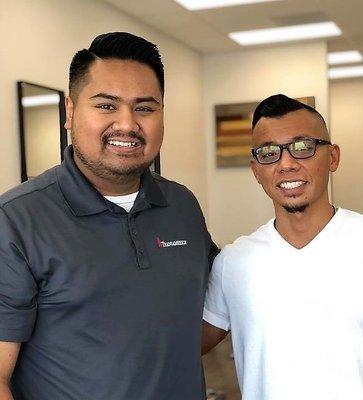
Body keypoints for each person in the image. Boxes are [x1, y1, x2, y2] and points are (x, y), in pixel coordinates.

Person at [0, 32, 217, 400]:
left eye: (145, 108)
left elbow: (205, 316)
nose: (128, 124)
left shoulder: (181, 205)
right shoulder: (16, 221)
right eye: (106, 106)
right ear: (70, 112)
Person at [202, 94, 363, 399]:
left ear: (332, 157)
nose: (286, 164)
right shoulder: (233, 262)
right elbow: (181, 347)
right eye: (269, 153)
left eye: (302, 147)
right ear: (256, 170)